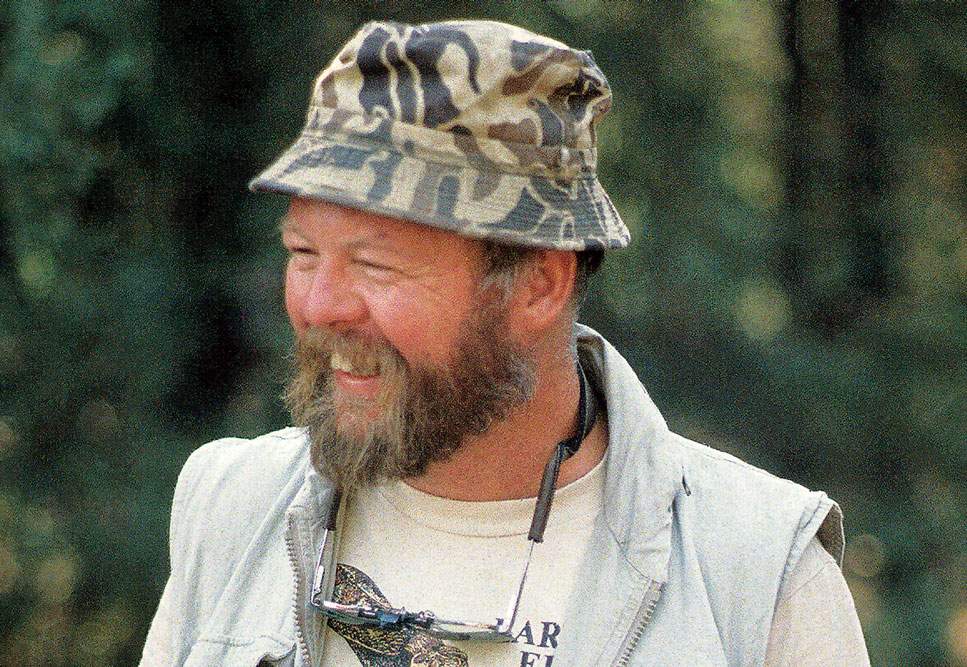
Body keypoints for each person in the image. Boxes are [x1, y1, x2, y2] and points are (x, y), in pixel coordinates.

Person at [140, 19, 870, 666]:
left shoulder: (759, 571)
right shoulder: (231, 512)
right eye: (303, 253)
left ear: (538, 284)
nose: (321, 305)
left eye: (375, 263)